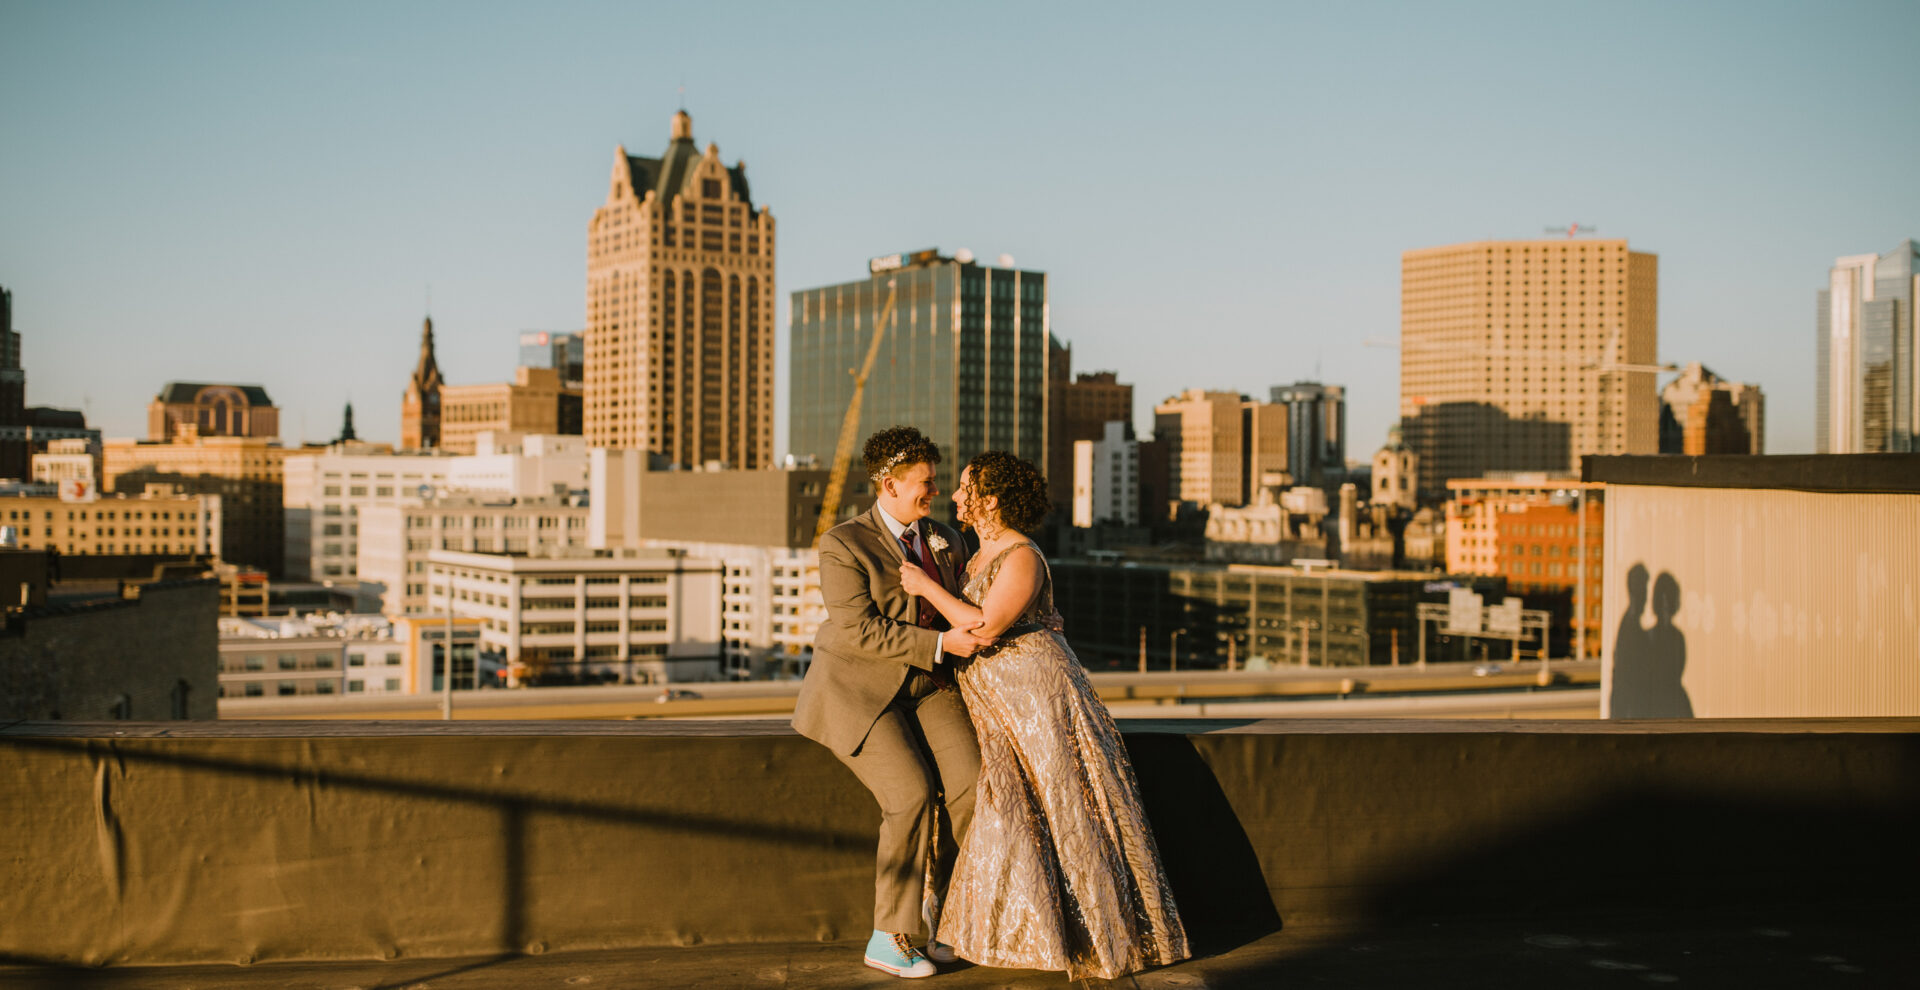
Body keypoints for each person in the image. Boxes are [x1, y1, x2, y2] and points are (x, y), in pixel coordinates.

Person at [897, 450, 1190, 981]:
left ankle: (1097, 938)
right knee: (1010, 810)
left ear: (991, 498)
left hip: (1037, 697)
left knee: (1065, 808)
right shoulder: (975, 552)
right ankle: (1009, 934)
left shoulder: (1022, 555)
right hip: (995, 703)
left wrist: (926, 588)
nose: (956, 496)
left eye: (966, 487)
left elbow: (986, 627)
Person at [791, 426, 995, 979]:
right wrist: (939, 644)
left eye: (935, 482)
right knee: (909, 795)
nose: (934, 491)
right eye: (925, 484)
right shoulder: (842, 543)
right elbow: (857, 630)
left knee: (975, 787)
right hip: (860, 693)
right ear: (889, 484)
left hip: (928, 688)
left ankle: (950, 916)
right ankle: (891, 935)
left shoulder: (946, 539)